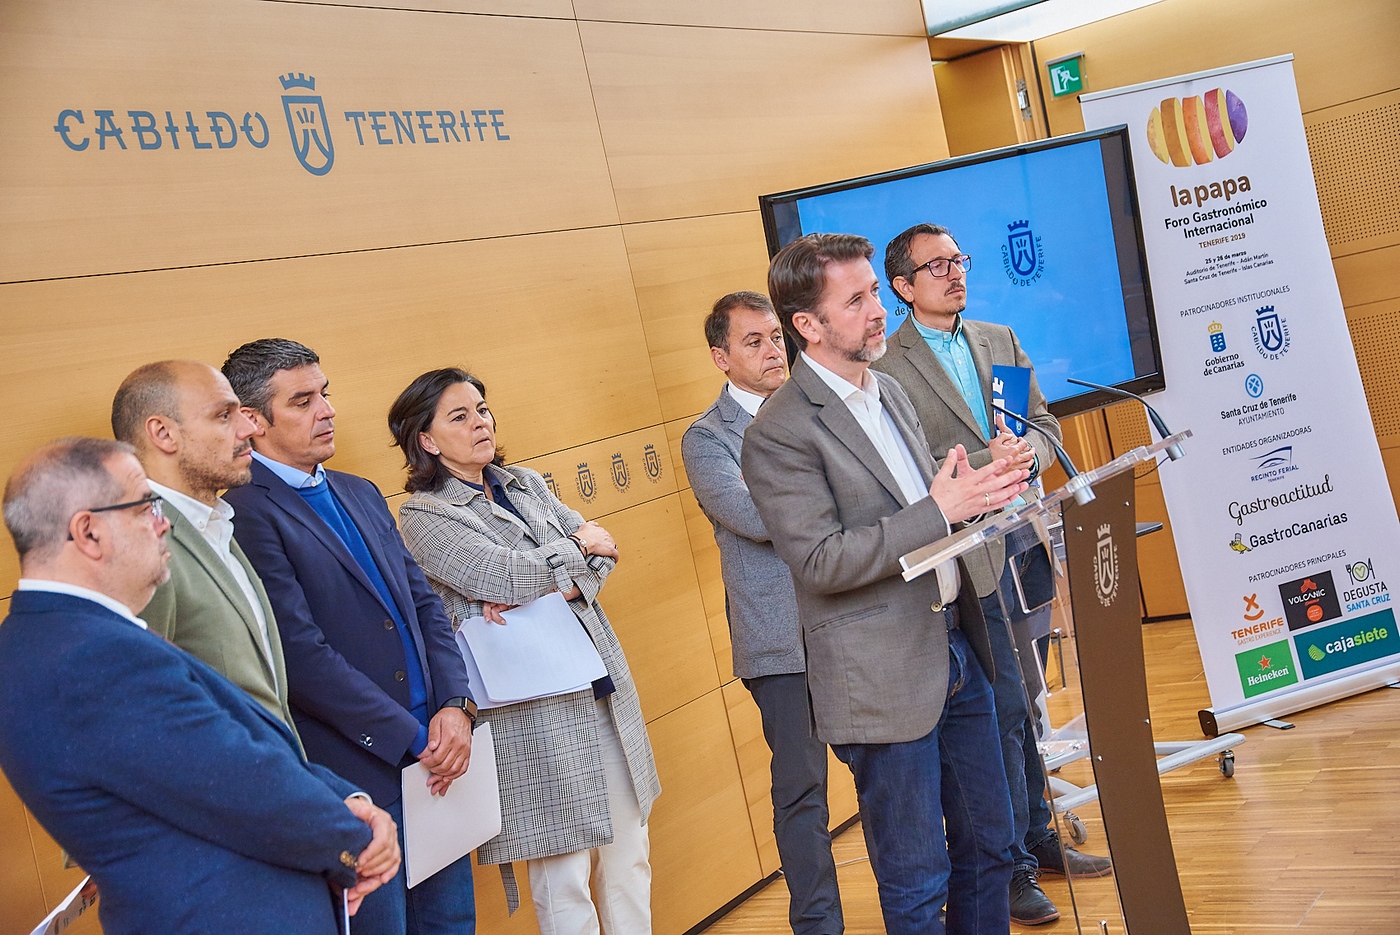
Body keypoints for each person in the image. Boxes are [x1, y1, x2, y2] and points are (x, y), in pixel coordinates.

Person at [741, 232, 1029, 935]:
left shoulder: (889, 389)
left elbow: (927, 499)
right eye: (857, 300)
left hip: (957, 648)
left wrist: (979, 486)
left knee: (991, 848)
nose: (878, 310)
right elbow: (820, 561)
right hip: (880, 679)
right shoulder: (778, 432)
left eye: (875, 291)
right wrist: (941, 509)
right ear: (807, 325)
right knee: (918, 884)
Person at [0, 437, 399, 935]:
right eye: (146, 507)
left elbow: (240, 744)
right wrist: (356, 837)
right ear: (89, 532)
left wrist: (349, 800)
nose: (164, 523)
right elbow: (237, 779)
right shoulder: (87, 655)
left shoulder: (59, 635)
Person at [872, 224, 1112, 925]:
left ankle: (1039, 837)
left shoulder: (997, 338)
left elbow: (1043, 425)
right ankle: (1009, 869)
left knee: (1028, 700)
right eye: (936, 266)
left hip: (1026, 539)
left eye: (959, 260)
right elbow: (911, 469)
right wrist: (990, 465)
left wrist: (1030, 455)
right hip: (963, 555)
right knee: (1001, 707)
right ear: (902, 286)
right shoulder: (887, 366)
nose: (955, 273)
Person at [388, 367, 661, 935]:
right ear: (427, 440)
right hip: (530, 714)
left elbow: (603, 556)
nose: (480, 423)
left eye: (482, 409)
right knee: (564, 878)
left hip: (601, 691)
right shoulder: (424, 515)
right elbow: (504, 574)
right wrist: (572, 551)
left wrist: (548, 578)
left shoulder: (526, 483)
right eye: (460, 416)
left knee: (629, 858)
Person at [219, 339, 477, 935]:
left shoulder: (358, 490)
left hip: (437, 751)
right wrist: (414, 738)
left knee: (452, 922)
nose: (327, 410)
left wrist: (455, 706)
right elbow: (300, 656)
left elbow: (423, 605)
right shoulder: (243, 511)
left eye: (325, 393)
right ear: (253, 420)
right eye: (302, 401)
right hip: (359, 767)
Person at [681, 292, 843, 935]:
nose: (774, 350)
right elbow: (754, 516)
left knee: (892, 776)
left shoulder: (821, 406)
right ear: (721, 357)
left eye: (776, 336)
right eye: (753, 341)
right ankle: (818, 926)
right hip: (780, 643)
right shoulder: (708, 438)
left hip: (852, 621)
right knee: (803, 792)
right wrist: (827, 499)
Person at [110, 360, 296, 733]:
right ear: (163, 433)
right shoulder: (142, 546)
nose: (248, 428)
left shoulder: (216, 521)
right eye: (223, 416)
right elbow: (143, 711)